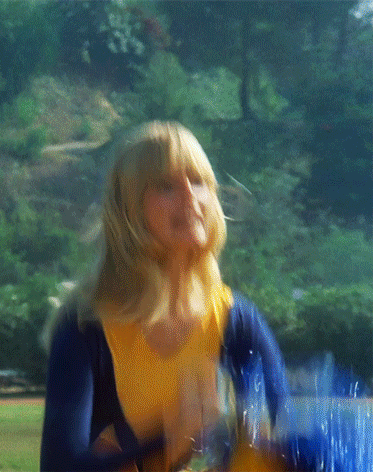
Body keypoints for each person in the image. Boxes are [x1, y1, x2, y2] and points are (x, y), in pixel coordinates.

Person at [40, 121, 307, 472]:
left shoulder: (236, 320)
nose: (190, 197)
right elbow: (59, 466)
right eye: (166, 186)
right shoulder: (86, 325)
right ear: (129, 210)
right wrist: (166, 437)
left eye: (198, 181)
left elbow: (283, 438)